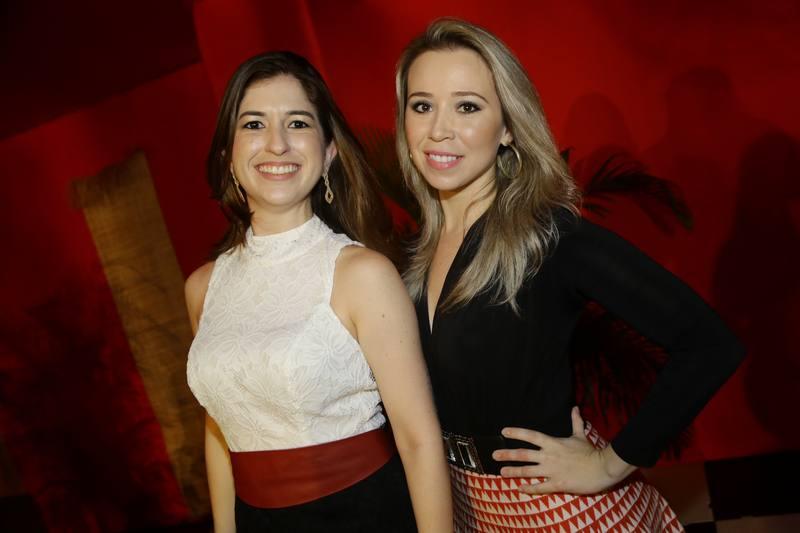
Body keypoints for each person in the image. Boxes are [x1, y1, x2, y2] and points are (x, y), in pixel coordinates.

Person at [395, 19, 744, 532]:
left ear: (508, 127)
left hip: (557, 509)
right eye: (422, 105)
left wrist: (610, 464)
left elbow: (710, 343)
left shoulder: (549, 237)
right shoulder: (412, 254)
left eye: (467, 107)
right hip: (467, 508)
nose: (438, 129)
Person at [186, 51, 452, 532]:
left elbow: (418, 439)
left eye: (298, 123)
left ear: (328, 152)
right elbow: (220, 426)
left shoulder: (362, 275)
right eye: (254, 124)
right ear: (228, 156)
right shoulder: (202, 288)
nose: (277, 143)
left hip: (362, 516)